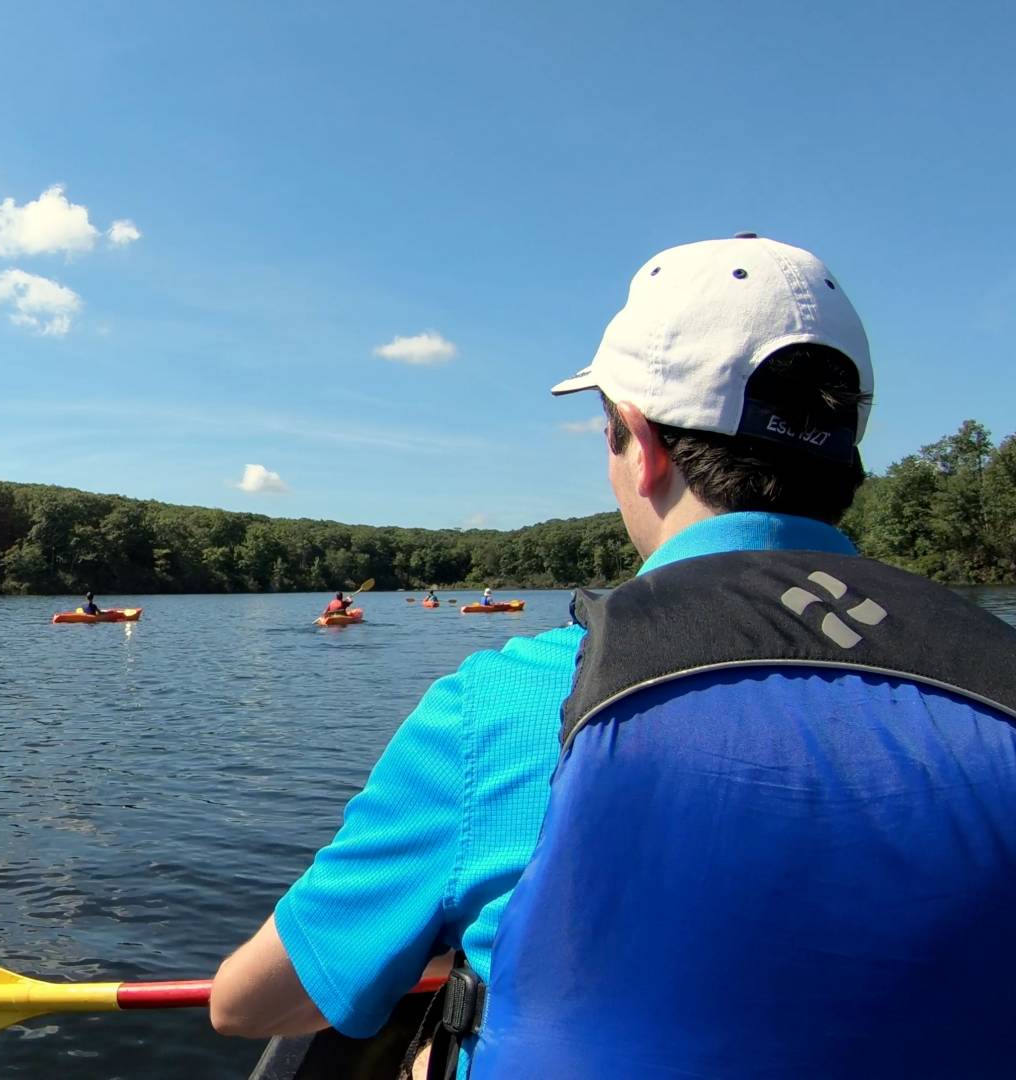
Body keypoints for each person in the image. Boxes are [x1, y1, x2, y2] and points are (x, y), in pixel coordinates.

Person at [209, 234, 1016, 1076]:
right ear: (847, 455)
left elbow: (246, 1004)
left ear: (641, 441)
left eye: (608, 433)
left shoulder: (505, 706)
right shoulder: (1002, 675)